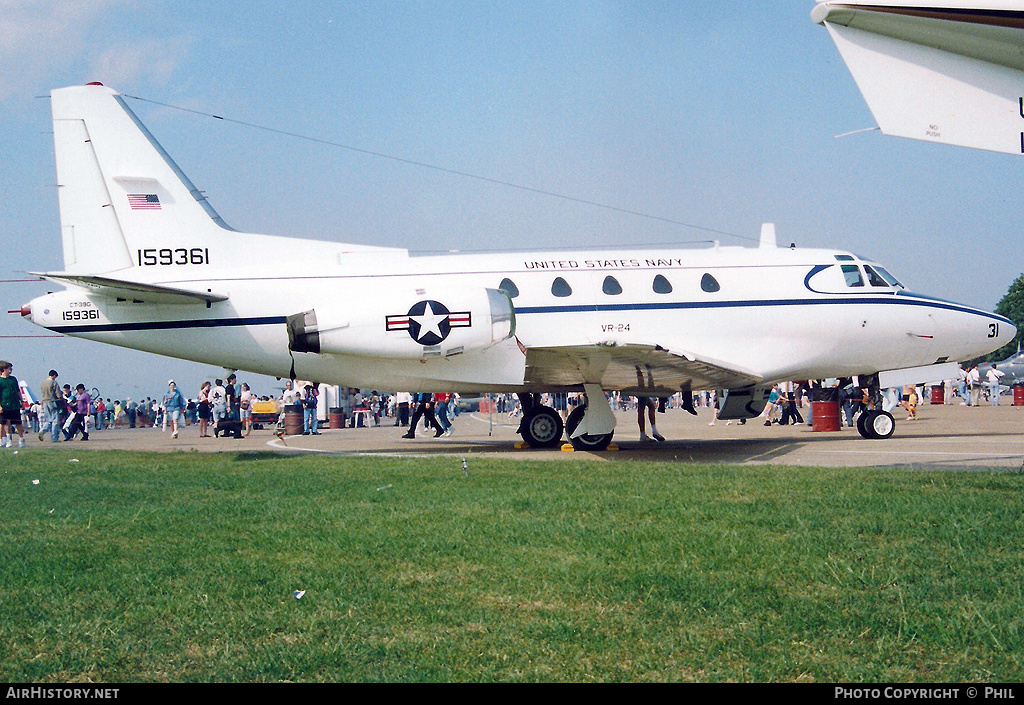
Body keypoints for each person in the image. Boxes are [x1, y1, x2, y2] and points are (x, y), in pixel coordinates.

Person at [0, 361, 26, 448]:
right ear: (4, 369)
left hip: (14, 404)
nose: (11, 371)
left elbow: (18, 391)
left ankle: (21, 439)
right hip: (5, 405)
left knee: (18, 423)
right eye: (9, 369)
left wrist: (22, 402)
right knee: (6, 423)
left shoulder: (13, 379)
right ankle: (8, 440)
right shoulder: (0, 380)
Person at [39, 369, 62, 442]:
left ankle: (42, 430)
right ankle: (54, 438)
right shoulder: (53, 382)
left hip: (44, 401)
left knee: (48, 419)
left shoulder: (43, 383)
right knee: (55, 420)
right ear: (54, 376)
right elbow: (58, 394)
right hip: (52, 402)